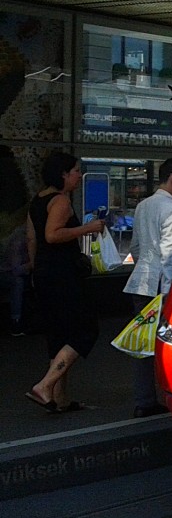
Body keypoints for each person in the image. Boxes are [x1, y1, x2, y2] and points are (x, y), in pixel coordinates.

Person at [24, 150, 105, 413]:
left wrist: (37, 271)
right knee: (85, 329)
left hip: (45, 274)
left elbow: (32, 239)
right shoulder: (61, 201)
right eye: (76, 171)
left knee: (58, 334)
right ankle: (45, 385)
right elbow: (52, 235)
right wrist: (88, 228)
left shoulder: (37, 201)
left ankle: (59, 399)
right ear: (63, 174)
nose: (79, 176)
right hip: (63, 275)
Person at [122, 157, 172, 418]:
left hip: (140, 282)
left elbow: (136, 248)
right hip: (161, 286)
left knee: (143, 343)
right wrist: (170, 292)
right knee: (166, 343)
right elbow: (171, 254)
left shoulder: (143, 206)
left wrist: (144, 271)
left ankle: (144, 400)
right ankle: (167, 395)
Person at [5, 223, 33, 335]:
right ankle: (16, 320)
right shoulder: (18, 242)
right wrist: (31, 264)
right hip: (6, 272)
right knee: (17, 282)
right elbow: (16, 270)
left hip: (24, 273)